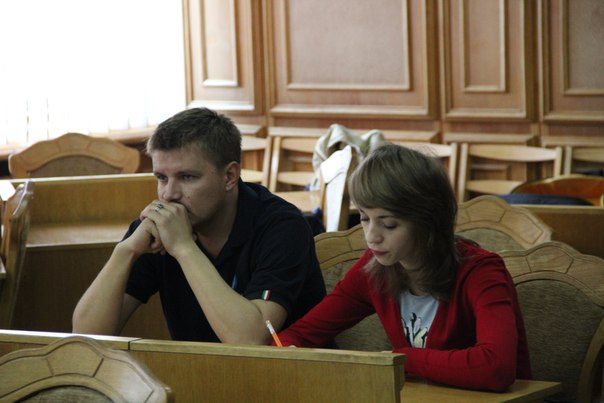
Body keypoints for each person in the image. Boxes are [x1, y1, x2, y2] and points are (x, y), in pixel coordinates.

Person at [275, 143, 532, 392]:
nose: (372, 237)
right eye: (364, 218)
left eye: (388, 224)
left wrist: (402, 359)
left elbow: (496, 367)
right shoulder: (373, 269)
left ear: (428, 221)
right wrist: (287, 351)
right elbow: (299, 335)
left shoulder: (481, 272)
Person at [72, 107, 327, 344]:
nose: (169, 194)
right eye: (161, 178)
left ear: (229, 176)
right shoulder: (158, 226)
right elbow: (87, 337)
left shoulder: (282, 227)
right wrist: (125, 252)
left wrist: (184, 248)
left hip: (291, 373)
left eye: (187, 177)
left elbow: (249, 340)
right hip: (200, 373)